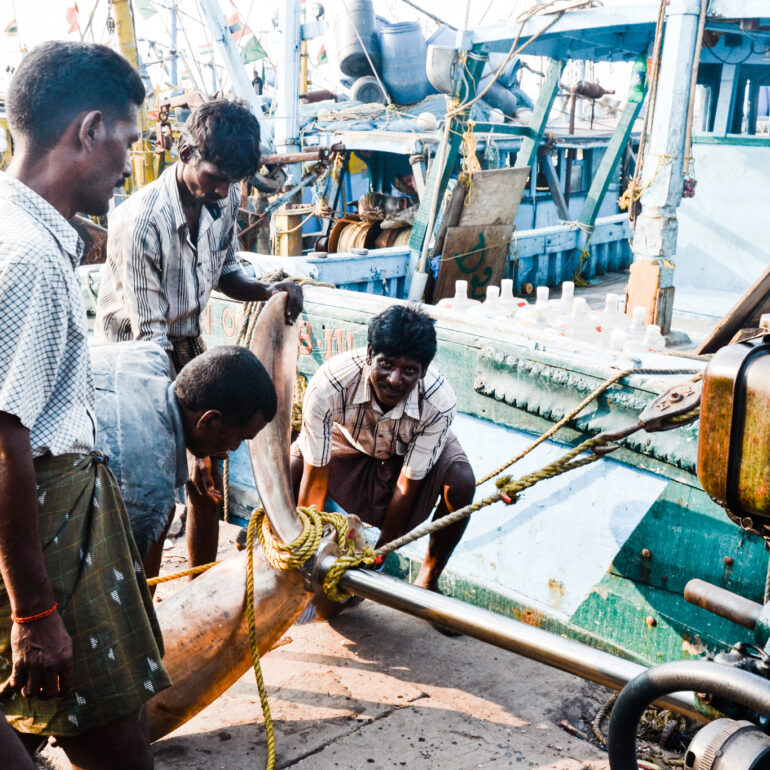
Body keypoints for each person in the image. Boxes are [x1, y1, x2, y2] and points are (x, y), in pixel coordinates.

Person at [0, 41, 169, 770]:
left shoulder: (24, 234)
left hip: (47, 521)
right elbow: (4, 437)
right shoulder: (31, 258)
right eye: (129, 140)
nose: (131, 161)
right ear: (90, 129)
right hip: (50, 528)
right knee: (117, 749)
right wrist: (36, 612)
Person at [95, 98, 303, 571]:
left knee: (208, 482)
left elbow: (227, 271)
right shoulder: (140, 220)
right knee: (156, 493)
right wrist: (187, 433)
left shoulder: (223, 195)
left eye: (232, 181)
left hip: (186, 342)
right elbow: (150, 339)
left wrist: (271, 291)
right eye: (214, 176)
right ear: (185, 152)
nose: (223, 190)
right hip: (136, 358)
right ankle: (145, 604)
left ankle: (198, 584)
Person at [290, 304, 475, 628]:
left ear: (425, 368)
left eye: (409, 371)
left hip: (408, 452)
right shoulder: (329, 385)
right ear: (370, 353)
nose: (394, 380)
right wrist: (311, 568)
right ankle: (290, 576)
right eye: (386, 364)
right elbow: (315, 479)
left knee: (461, 482)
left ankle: (427, 583)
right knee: (292, 466)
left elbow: (408, 485)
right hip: (349, 440)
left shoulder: (439, 402)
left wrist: (377, 559)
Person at [91, 342, 277, 580]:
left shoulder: (148, 354)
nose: (233, 448)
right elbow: (120, 585)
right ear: (209, 422)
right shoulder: (149, 492)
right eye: (239, 438)